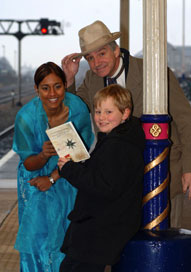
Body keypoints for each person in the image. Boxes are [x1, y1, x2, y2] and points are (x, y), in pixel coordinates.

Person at [61, 20, 191, 228]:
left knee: (163, 238)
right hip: (118, 180)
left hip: (160, 171)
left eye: (101, 53)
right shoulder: (91, 79)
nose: (96, 62)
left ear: (116, 50)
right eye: (90, 57)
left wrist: (190, 168)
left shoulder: (154, 73)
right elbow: (75, 115)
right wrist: (69, 81)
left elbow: (187, 120)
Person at [12, 62, 94, 272]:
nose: (52, 93)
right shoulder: (26, 117)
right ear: (36, 89)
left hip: (69, 178)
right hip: (35, 181)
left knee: (68, 234)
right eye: (45, 88)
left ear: (65, 85)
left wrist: (53, 178)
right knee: (37, 239)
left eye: (57, 86)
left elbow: (80, 154)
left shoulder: (77, 108)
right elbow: (28, 163)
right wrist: (43, 155)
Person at [57, 84, 145, 272]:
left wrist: (71, 169)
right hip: (102, 225)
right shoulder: (120, 139)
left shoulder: (118, 145)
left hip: (100, 228)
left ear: (125, 113)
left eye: (108, 112)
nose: (101, 117)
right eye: (98, 111)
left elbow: (105, 186)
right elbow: (105, 176)